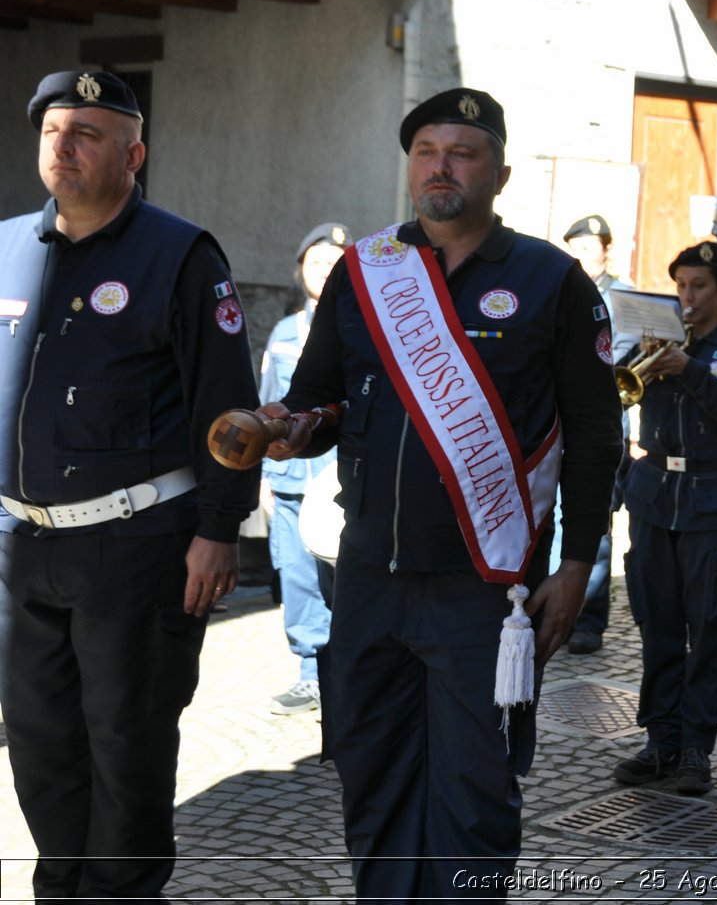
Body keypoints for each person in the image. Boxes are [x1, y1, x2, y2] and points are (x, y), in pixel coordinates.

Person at [260, 87, 622, 900]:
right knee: (373, 776)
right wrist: (290, 425)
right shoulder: (367, 270)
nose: (440, 167)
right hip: (370, 580)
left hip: (485, 590)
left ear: (499, 171)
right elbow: (321, 400)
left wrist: (579, 563)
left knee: (475, 796)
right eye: (426, 151)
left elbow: (596, 436)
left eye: (461, 152)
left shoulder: (551, 279)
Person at [0, 70, 258, 900]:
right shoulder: (4, 247)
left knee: (127, 749)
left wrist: (220, 528)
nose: (64, 146)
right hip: (20, 546)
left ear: (134, 154)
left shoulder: (180, 255)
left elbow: (229, 412)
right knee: (39, 747)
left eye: (87, 133)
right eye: (52, 132)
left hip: (135, 549)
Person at [611, 242, 717, 795]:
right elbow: (613, 396)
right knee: (657, 625)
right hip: (655, 496)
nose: (688, 297)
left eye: (699, 285)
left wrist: (693, 371)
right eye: (681, 286)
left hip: (713, 497)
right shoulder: (652, 344)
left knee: (706, 630)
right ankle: (661, 741)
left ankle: (697, 748)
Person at [260, 221, 350, 715]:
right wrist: (262, 478)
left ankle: (350, 671)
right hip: (292, 480)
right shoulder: (284, 331)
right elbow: (267, 401)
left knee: (345, 581)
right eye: (316, 261)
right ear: (300, 270)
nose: (325, 270)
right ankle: (311, 673)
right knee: (297, 579)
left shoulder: (361, 325)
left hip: (341, 481)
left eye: (335, 262)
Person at [558, 213, 640, 654]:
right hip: (558, 421)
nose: (579, 255)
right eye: (573, 247)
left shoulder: (623, 297)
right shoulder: (555, 288)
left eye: (587, 248)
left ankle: (588, 617)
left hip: (602, 420)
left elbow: (615, 352)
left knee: (597, 523)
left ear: (607, 250)